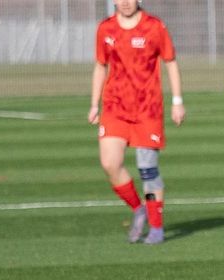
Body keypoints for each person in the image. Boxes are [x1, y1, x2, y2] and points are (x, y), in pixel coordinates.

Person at [89, 0, 185, 245]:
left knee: (147, 168)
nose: (125, 2)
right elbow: (101, 66)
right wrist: (94, 104)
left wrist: (177, 100)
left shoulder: (154, 27)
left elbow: (170, 62)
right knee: (110, 163)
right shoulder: (106, 29)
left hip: (147, 109)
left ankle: (155, 228)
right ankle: (138, 208)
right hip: (114, 106)